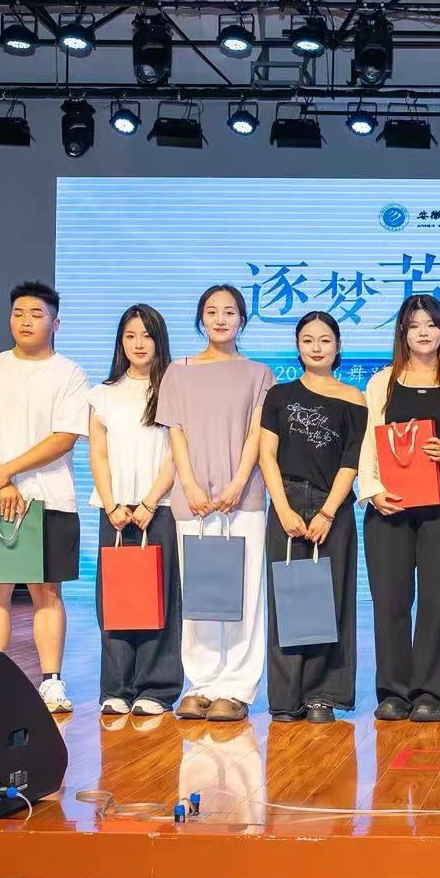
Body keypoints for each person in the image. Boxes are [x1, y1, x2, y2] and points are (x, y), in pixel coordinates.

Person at [0, 281, 90, 712]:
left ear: (55, 323)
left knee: (46, 592)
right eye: (18, 313)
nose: (26, 321)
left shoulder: (69, 373)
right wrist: (0, 482)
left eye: (36, 314)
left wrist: (6, 470)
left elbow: (64, 437)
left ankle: (51, 682)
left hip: (49, 498)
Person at [355, 295, 440, 723]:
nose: (423, 332)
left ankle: (432, 694)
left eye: (431, 324)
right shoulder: (381, 382)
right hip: (390, 502)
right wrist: (372, 490)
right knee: (391, 599)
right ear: (402, 333)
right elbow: (367, 442)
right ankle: (393, 691)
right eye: (414, 325)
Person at [158, 284, 274, 723]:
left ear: (242, 319)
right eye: (212, 311)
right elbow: (176, 432)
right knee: (200, 592)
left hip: (243, 498)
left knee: (245, 593)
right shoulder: (178, 371)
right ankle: (202, 683)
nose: (220, 319)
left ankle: (237, 687)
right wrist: (188, 484)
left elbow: (257, 434)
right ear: (200, 318)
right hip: (193, 500)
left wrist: (238, 483)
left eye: (229, 311)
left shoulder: (259, 373)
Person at [257, 311, 367, 723]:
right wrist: (283, 508)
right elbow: (267, 456)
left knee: (330, 601)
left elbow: (351, 461)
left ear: (338, 346)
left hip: (331, 506)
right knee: (287, 598)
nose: (316, 347)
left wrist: (328, 512)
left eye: (325, 340)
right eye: (308, 340)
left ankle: (323, 695)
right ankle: (286, 697)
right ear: (298, 346)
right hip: (285, 504)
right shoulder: (279, 395)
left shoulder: (354, 398)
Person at [88, 303, 182, 717]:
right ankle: (117, 687)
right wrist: (112, 504)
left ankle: (155, 689)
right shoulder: (103, 393)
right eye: (130, 336)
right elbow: (98, 453)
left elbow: (177, 455)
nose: (138, 344)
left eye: (146, 335)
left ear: (159, 340)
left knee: (159, 599)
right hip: (115, 511)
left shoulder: (174, 390)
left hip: (158, 508)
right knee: (116, 599)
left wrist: (149, 501)